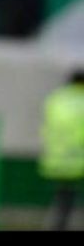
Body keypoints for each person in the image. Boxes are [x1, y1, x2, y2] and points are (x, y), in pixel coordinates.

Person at [39, 69, 84, 230]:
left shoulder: (56, 99)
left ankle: (58, 225)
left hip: (57, 158)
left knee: (64, 196)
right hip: (80, 158)